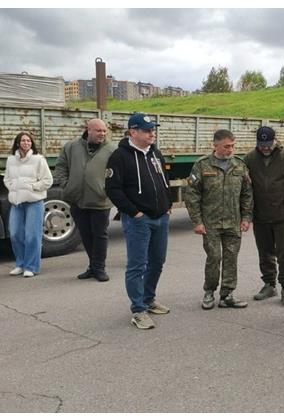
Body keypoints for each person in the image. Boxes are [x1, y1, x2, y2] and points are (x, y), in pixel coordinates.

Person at [106, 113, 172, 330]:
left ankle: (148, 298)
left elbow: (164, 180)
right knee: (137, 265)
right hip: (138, 221)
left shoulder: (155, 153)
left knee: (157, 261)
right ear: (133, 132)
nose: (152, 134)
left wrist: (168, 204)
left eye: (153, 129)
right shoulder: (119, 156)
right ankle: (138, 309)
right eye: (147, 130)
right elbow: (113, 189)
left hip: (161, 217)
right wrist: (134, 212)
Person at [185, 129, 253, 310]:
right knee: (214, 258)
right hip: (211, 223)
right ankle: (209, 291)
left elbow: (247, 194)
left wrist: (246, 217)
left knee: (231, 258)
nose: (230, 150)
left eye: (232, 146)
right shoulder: (202, 165)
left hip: (233, 222)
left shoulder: (239, 165)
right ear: (215, 145)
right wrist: (197, 221)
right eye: (226, 146)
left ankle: (227, 294)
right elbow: (192, 195)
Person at [53, 119, 117, 282]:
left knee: (99, 235)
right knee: (86, 235)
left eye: (104, 131)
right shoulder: (71, 147)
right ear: (88, 130)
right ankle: (93, 266)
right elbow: (61, 166)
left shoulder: (112, 149)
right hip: (77, 199)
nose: (102, 134)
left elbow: (118, 173)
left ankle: (99, 268)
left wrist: (106, 190)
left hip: (100, 200)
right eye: (98, 131)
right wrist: (66, 185)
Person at [244, 126, 284, 306]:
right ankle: (269, 284)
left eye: (268, 144)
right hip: (260, 215)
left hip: (283, 215)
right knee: (265, 252)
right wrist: (246, 213)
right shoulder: (249, 159)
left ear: (275, 140)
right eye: (262, 144)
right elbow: (245, 187)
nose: (265, 148)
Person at [4, 132, 53, 278]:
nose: (26, 143)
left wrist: (32, 187)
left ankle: (31, 267)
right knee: (15, 234)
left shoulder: (38, 159)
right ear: (17, 143)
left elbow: (48, 180)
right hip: (16, 202)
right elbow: (7, 179)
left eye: (28, 141)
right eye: (23, 140)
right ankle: (20, 264)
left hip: (34, 202)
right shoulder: (11, 160)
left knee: (32, 235)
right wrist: (13, 187)